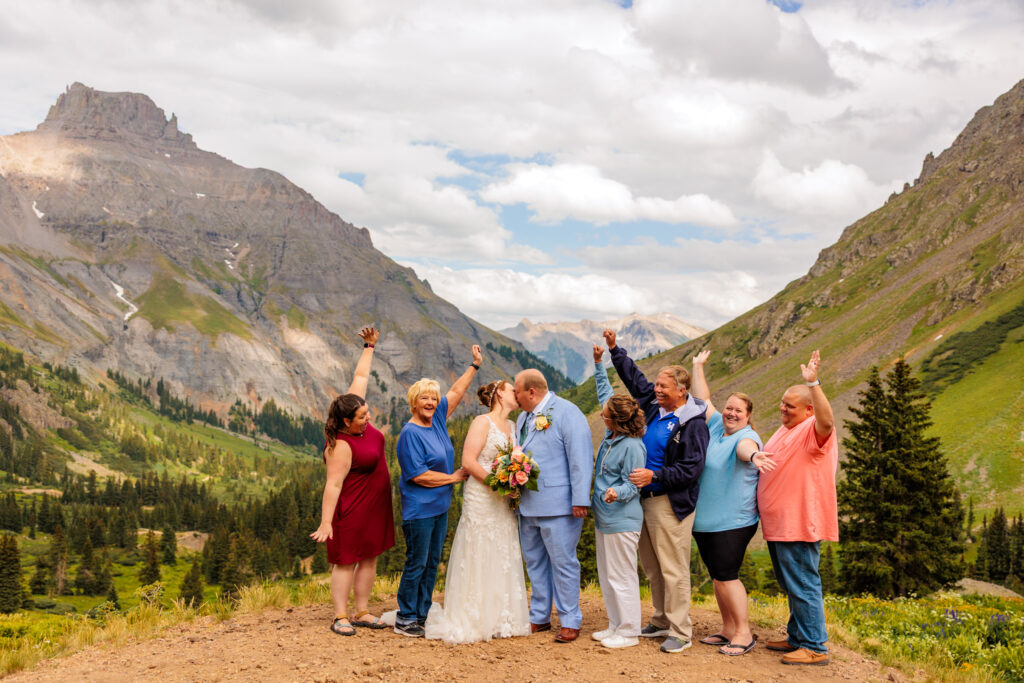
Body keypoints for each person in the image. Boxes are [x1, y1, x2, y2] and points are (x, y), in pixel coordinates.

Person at [603, 328, 709, 654]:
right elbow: (635, 379)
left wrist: (656, 475)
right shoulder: (654, 404)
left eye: (663, 386)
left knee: (673, 568)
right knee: (652, 565)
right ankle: (661, 620)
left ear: (681, 390)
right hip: (643, 498)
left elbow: (691, 469)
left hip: (668, 501)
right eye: (657, 385)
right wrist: (614, 349)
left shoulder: (693, 423)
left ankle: (681, 630)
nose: (656, 390)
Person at [424, 379, 531, 643]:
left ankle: (501, 616)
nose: (516, 394)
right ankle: (474, 616)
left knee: (502, 548)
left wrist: (514, 478)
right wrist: (496, 483)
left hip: (502, 499)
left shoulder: (514, 426)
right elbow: (468, 462)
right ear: (498, 395)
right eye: (511, 391)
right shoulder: (481, 423)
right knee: (480, 547)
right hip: (482, 495)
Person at [689, 349, 776, 656]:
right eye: (729, 408)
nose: (732, 413)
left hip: (733, 522)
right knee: (718, 577)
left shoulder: (746, 437)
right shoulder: (715, 428)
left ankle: (743, 633)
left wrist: (754, 456)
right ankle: (728, 628)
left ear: (748, 416)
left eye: (739, 411)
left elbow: (745, 449)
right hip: (706, 522)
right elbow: (702, 400)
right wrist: (697, 366)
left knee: (728, 575)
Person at [309, 327, 395, 636]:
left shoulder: (354, 410)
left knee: (369, 558)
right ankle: (340, 616)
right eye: (363, 416)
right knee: (346, 561)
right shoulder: (341, 445)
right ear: (347, 421)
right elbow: (332, 485)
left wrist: (369, 346)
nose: (368, 417)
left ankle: (361, 611)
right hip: (352, 509)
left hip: (375, 507)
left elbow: (360, 379)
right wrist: (326, 523)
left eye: (367, 412)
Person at [392, 344, 481, 637]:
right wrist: (454, 478)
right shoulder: (410, 434)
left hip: (439, 508)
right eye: (424, 398)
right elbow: (418, 476)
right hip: (420, 510)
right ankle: (405, 617)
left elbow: (454, 392)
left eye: (433, 398)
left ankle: (422, 612)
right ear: (413, 403)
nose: (430, 402)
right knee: (417, 562)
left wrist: (474, 366)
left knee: (432, 563)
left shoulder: (438, 419)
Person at [757, 350, 838, 666]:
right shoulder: (787, 428)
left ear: (808, 410)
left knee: (804, 582)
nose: (782, 409)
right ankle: (798, 636)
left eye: (789, 406)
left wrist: (813, 383)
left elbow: (827, 419)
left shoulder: (815, 430)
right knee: (792, 582)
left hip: (800, 522)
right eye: (781, 403)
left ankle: (815, 646)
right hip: (781, 523)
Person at [514, 368, 593, 643]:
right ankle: (539, 616)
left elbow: (580, 457)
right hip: (527, 505)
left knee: (563, 563)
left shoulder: (568, 412)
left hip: (560, 506)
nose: (515, 396)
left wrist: (581, 499)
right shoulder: (523, 417)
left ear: (531, 392)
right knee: (535, 563)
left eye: (518, 391)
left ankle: (570, 619)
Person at [589, 345, 646, 649]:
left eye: (606, 415)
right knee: (607, 574)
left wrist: (616, 492)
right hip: (605, 517)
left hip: (622, 519)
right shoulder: (613, 435)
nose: (601, 414)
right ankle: (615, 625)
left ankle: (628, 631)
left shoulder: (632, 446)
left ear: (617, 421)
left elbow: (634, 483)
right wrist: (599, 363)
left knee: (622, 576)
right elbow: (604, 392)